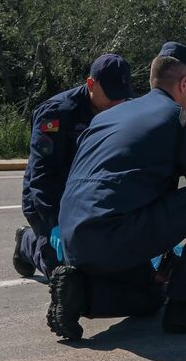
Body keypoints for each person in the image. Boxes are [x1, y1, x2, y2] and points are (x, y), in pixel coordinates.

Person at [47, 42, 186, 340]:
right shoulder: (183, 121)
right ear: (184, 83)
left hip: (74, 243)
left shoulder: (105, 117)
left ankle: (79, 293)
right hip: (116, 236)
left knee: (153, 295)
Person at [13, 54, 133, 280]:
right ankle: (27, 243)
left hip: (84, 199)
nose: (117, 104)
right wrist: (56, 223)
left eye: (122, 97)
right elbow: (42, 175)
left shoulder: (120, 111)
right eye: (111, 96)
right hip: (48, 200)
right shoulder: (56, 113)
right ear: (91, 84)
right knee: (62, 271)